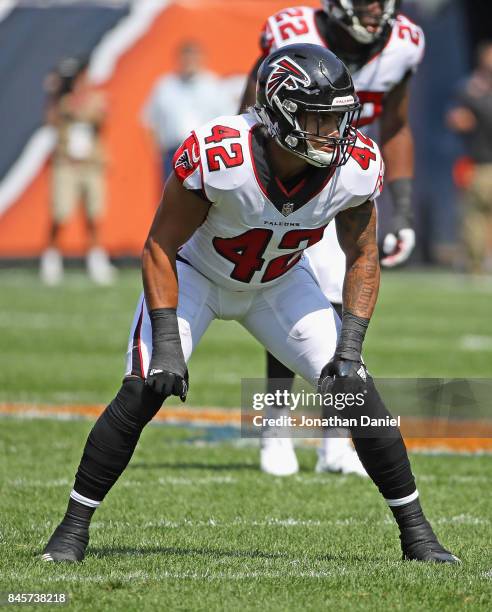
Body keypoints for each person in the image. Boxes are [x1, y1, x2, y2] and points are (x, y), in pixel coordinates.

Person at [41, 44, 458, 564]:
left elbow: (364, 256)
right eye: (319, 118)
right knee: (144, 387)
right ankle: (71, 530)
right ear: (281, 109)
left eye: (339, 118)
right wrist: (168, 342)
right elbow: (160, 247)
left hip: (281, 283)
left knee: (358, 397)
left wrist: (349, 351)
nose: (335, 132)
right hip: (196, 275)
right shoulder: (222, 154)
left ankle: (418, 536)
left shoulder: (352, 167)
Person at [239, 0, 424, 476]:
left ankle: (335, 437)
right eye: (366, 1)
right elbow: (251, 111)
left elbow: (397, 124)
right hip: (293, 179)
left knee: (341, 299)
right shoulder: (291, 30)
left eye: (383, 1)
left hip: (348, 183)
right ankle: (276, 425)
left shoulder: (404, 44)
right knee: (287, 293)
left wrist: (400, 209)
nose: (375, 10)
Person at [40, 56, 116, 286]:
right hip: (66, 162)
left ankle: (95, 259)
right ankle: (51, 258)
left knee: (94, 214)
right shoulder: (59, 99)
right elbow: (50, 121)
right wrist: (54, 93)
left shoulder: (95, 97)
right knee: (60, 212)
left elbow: (99, 117)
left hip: (91, 164)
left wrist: (75, 101)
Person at [143, 41, 229, 185]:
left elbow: (226, 120)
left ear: (201, 59)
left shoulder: (213, 85)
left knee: (205, 198)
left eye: (193, 57)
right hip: (173, 153)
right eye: (186, 57)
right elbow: (150, 120)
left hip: (204, 153)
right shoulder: (165, 85)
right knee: (172, 201)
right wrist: (158, 152)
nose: (189, 61)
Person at [447, 41, 492, 275]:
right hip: (478, 163)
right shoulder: (469, 90)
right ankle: (477, 264)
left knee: (475, 218)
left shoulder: (470, 91)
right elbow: (457, 119)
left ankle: (478, 265)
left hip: (481, 165)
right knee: (475, 216)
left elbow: (458, 119)